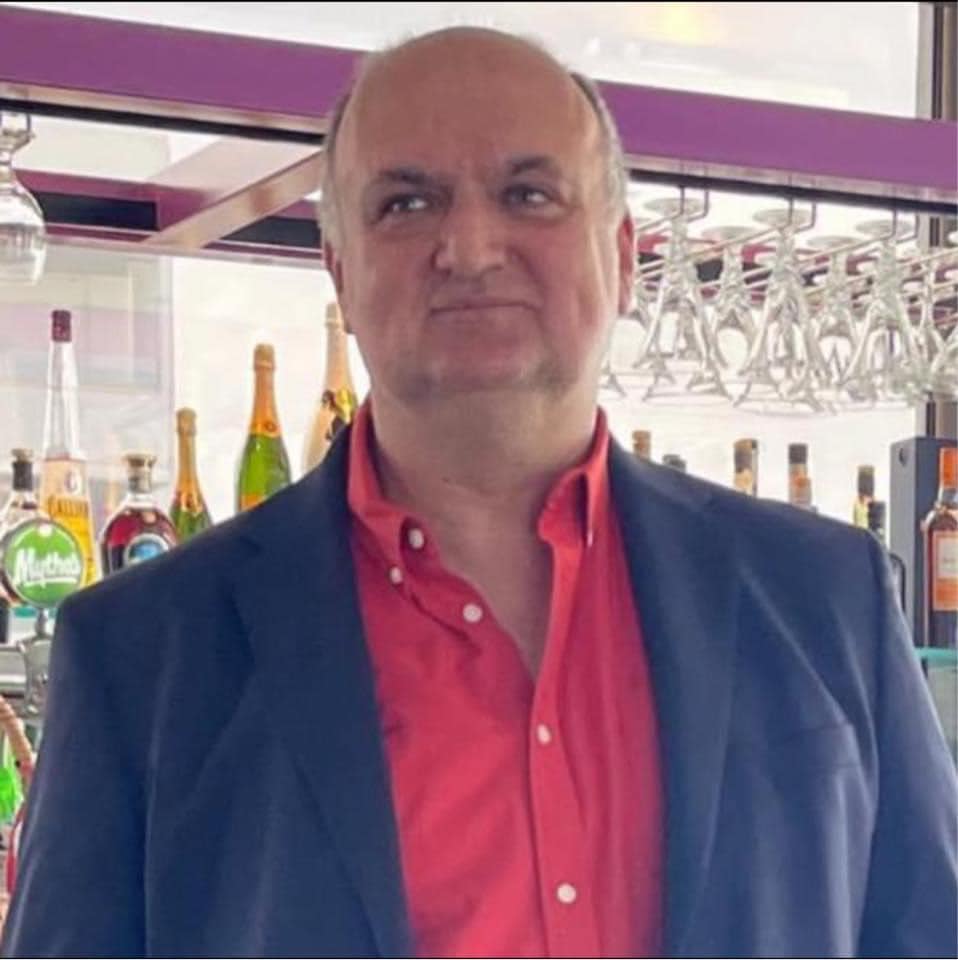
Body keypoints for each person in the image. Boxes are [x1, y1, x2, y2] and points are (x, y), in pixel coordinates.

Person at [3, 26, 956, 960]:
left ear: (624, 256)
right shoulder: (142, 654)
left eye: (528, 194)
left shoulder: (825, 596)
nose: (468, 246)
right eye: (406, 203)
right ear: (339, 271)